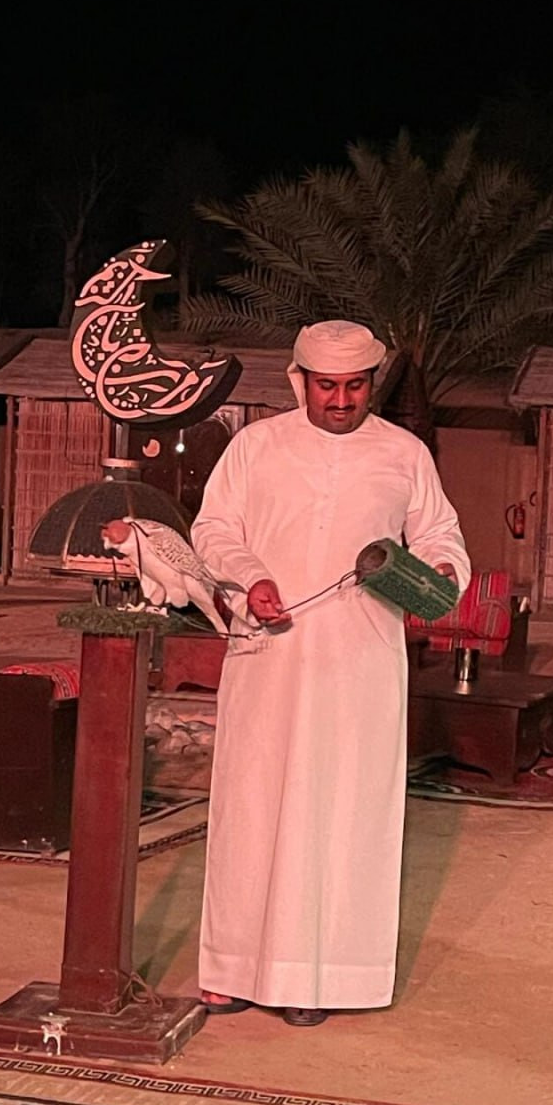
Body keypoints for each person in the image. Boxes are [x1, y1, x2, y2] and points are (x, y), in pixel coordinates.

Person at [190, 320, 471, 1027]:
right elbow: (213, 530)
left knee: (342, 814)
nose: (341, 401)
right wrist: (251, 578)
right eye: (326, 386)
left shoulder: (403, 453)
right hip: (269, 656)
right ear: (300, 382)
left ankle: (318, 978)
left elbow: (440, 535)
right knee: (252, 807)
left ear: (371, 385)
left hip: (360, 663)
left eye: (354, 386)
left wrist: (441, 569)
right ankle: (231, 969)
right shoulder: (257, 446)